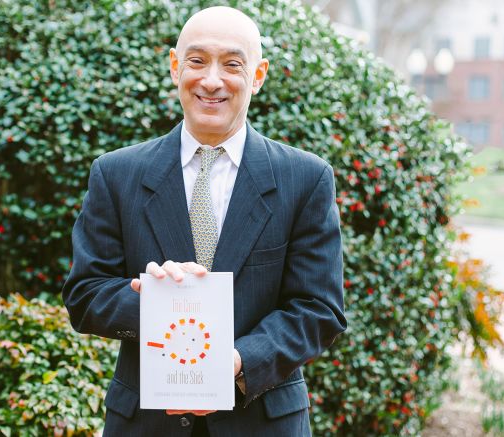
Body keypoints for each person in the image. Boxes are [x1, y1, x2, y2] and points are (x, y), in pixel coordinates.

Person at [62, 6, 346, 436]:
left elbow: (319, 309)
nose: (212, 80)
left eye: (232, 64)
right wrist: (154, 302)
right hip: (145, 423)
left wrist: (235, 361)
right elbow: (85, 294)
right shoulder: (116, 174)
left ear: (258, 75)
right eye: (197, 61)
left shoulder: (305, 179)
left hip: (261, 423)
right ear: (175, 67)